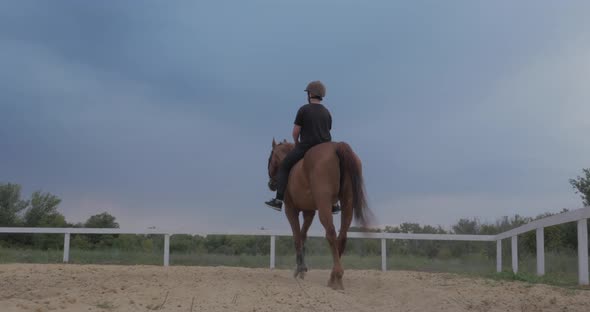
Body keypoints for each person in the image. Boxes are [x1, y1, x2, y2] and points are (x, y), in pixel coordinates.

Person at [265, 80, 341, 214]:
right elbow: (327, 130)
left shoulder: (303, 109)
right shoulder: (327, 112)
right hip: (325, 147)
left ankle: (278, 201)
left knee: (284, 166)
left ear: (310, 94)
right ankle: (334, 203)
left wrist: (297, 143)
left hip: (307, 146)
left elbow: (295, 132)